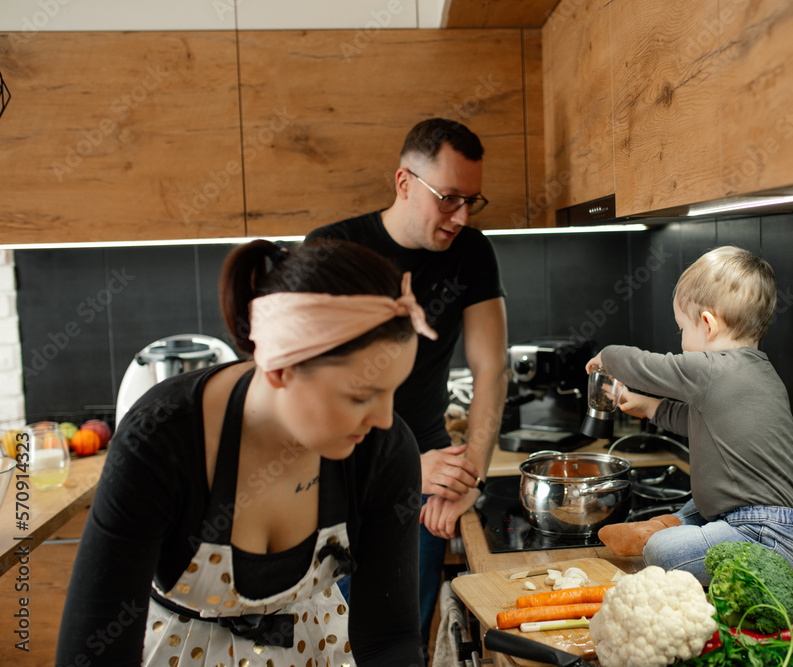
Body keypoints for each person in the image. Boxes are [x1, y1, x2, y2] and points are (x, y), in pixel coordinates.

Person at [55, 239, 433, 666]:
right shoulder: (160, 442)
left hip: (316, 646)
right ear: (280, 367)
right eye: (361, 395)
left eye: (391, 393)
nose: (384, 419)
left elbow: (389, 639)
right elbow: (92, 651)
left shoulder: (383, 450)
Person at [305, 118, 508, 649]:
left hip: (427, 487)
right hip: (340, 487)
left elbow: (491, 368)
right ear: (404, 183)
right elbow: (306, 406)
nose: (461, 216)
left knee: (401, 643)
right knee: (331, 643)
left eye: (472, 200)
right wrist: (405, 471)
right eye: (448, 198)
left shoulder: (472, 251)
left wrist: (472, 480)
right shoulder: (332, 250)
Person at [590, 245, 793, 585]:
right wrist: (648, 407)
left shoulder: (712, 369)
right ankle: (660, 528)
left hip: (774, 537)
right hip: (786, 526)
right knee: (700, 504)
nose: (681, 340)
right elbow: (699, 422)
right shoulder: (760, 372)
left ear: (708, 324)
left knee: (663, 554)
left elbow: (646, 366)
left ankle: (656, 537)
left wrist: (606, 357)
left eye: (681, 328)